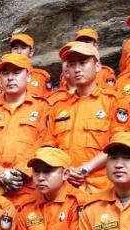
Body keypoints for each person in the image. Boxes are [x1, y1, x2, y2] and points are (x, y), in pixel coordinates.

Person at [0, 53, 50, 206]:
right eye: (5, 73)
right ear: (0, 78)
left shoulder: (42, 107)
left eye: (16, 72)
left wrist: (20, 171)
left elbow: (44, 142)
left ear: (28, 76)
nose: (10, 78)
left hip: (29, 188)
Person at [50, 40, 117, 194]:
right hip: (65, 188)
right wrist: (64, 169)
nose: (77, 69)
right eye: (72, 64)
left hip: (102, 189)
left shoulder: (113, 101)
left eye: (83, 63)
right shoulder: (58, 106)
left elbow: (118, 145)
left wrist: (85, 168)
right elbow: (49, 146)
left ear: (98, 66)